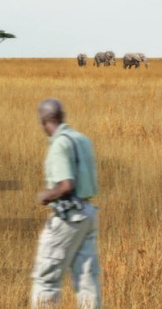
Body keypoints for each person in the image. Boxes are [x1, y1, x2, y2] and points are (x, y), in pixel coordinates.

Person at [31, 98, 101, 308]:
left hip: (68, 216)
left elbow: (66, 185)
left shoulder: (59, 144)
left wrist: (46, 195)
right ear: (62, 116)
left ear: (44, 121)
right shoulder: (82, 139)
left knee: (46, 279)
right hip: (88, 214)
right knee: (87, 279)